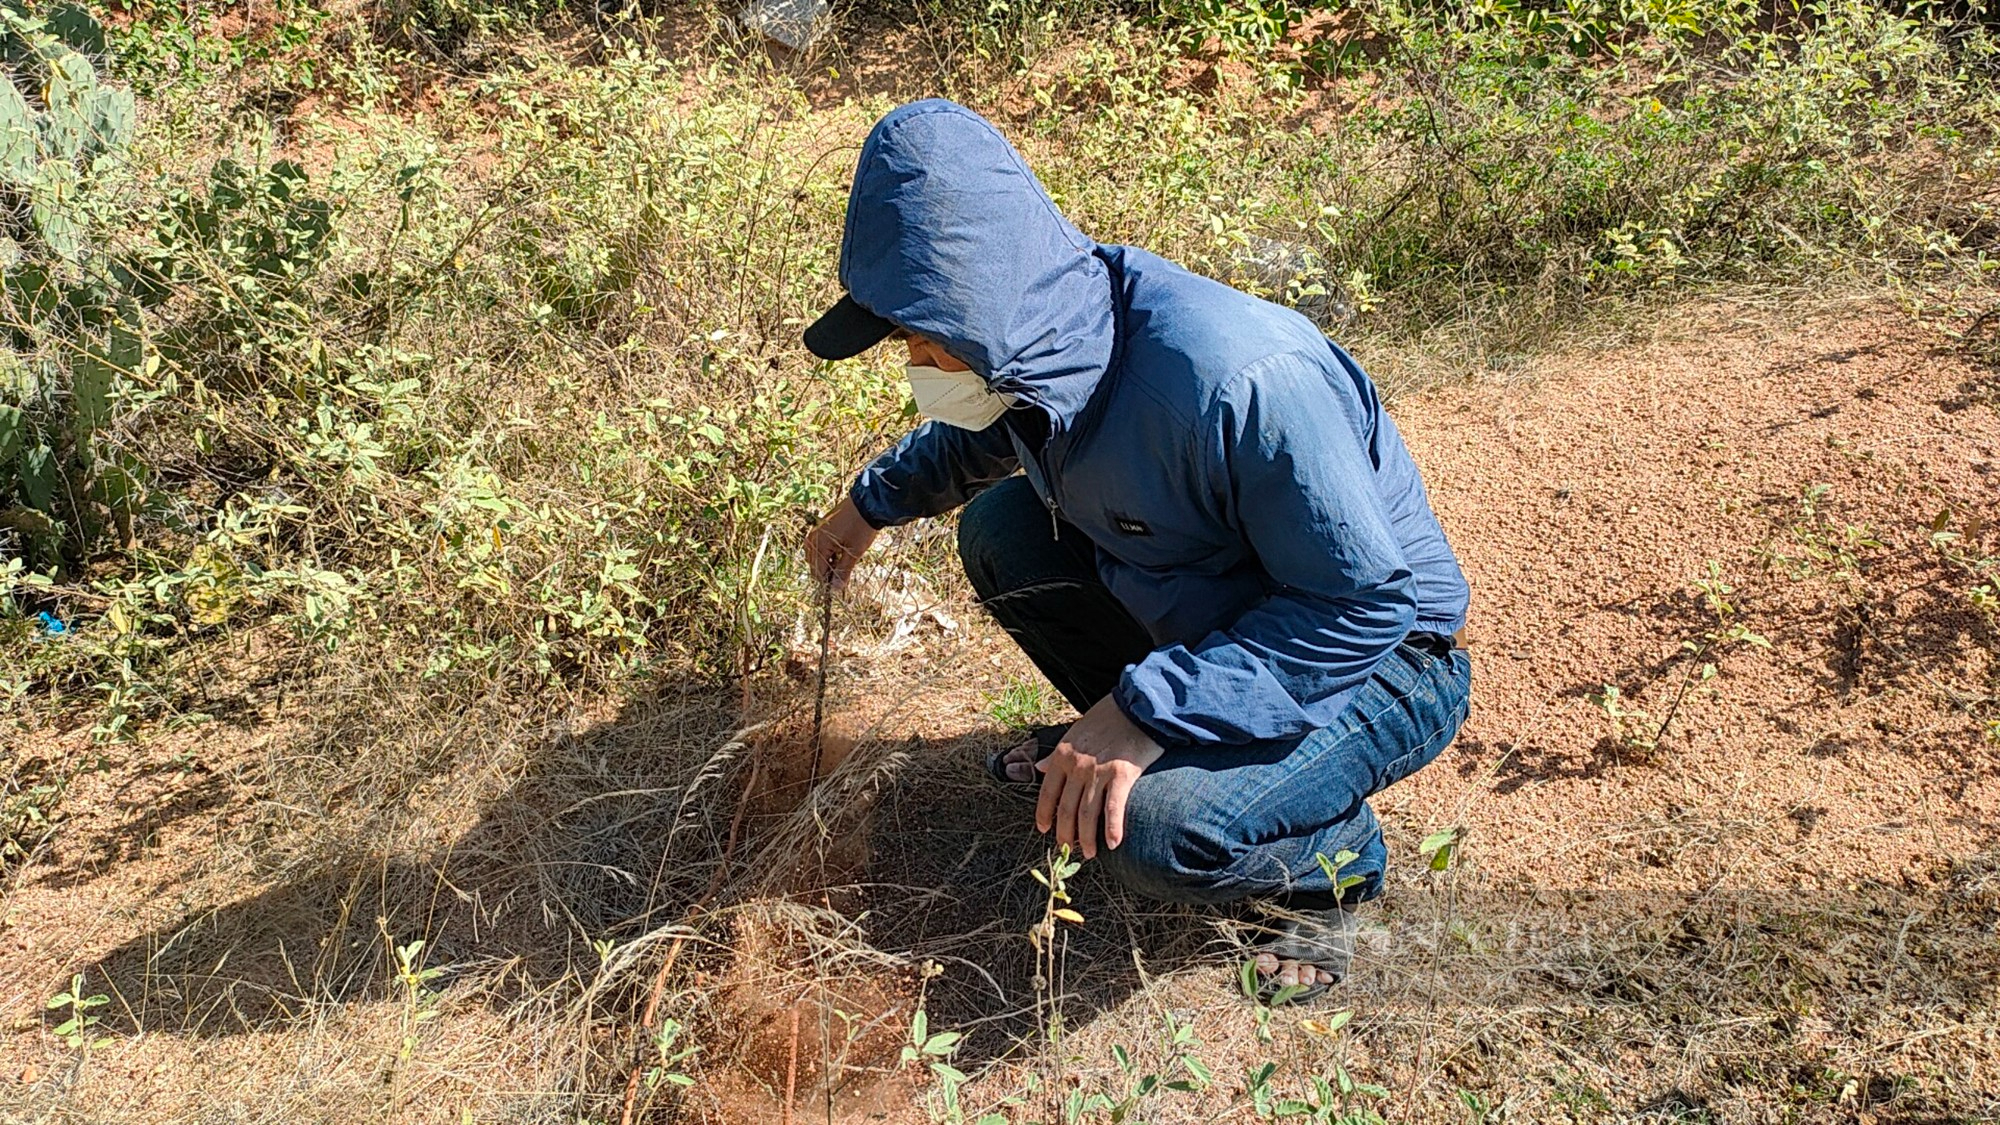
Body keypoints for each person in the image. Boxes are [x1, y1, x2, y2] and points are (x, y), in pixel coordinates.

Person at [802, 99, 1471, 1002]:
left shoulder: (1238, 383)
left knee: (1158, 836)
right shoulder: (1050, 350)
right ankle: (1138, 741)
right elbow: (981, 441)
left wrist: (1144, 709)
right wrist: (867, 507)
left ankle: (1333, 866)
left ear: (985, 311)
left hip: (1383, 662)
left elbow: (1362, 606)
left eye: (923, 338)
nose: (914, 360)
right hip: (1228, 617)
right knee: (1001, 531)